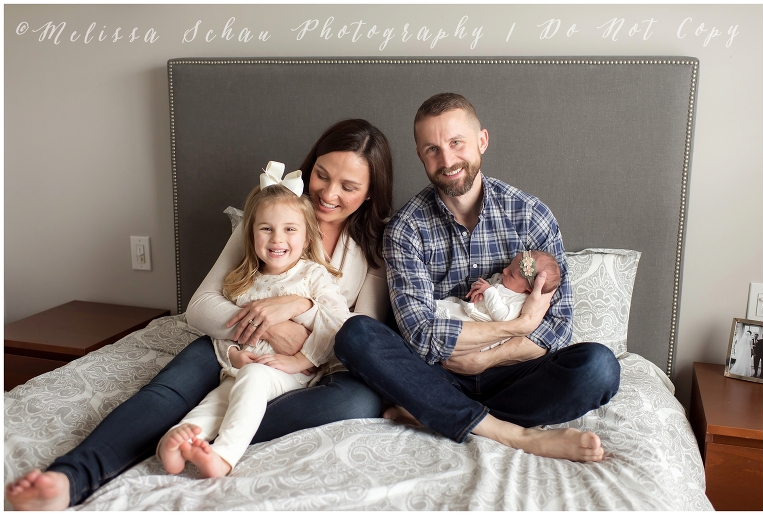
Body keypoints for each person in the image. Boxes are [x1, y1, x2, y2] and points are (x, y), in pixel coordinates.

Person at [6, 119, 394, 510]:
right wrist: (270, 324)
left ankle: (200, 434)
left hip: (313, 364)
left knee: (358, 403)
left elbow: (364, 337)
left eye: (348, 186)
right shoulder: (268, 210)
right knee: (165, 393)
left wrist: (302, 308)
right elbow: (201, 307)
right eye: (321, 176)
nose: (328, 193)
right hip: (232, 341)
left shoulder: (375, 245)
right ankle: (71, 477)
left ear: (370, 193)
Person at [334, 93, 621, 463]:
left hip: (515, 374)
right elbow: (422, 336)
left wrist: (489, 358)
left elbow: (558, 328)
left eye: (457, 143)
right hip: (436, 375)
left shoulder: (531, 216)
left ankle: (440, 413)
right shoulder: (406, 228)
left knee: (599, 367)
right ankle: (513, 433)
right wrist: (518, 325)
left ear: (481, 141)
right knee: (355, 334)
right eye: (432, 149)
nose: (448, 160)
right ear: (420, 155)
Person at [160, 172, 352, 478]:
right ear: (250, 235)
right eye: (266, 229)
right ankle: (182, 440)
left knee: (251, 380)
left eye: (290, 229)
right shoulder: (242, 282)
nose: (277, 239)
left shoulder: (313, 276)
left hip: (291, 373)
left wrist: (301, 360)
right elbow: (227, 329)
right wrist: (234, 354)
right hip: (242, 367)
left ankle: (223, 456)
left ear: (306, 238)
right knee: (218, 399)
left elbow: (338, 324)